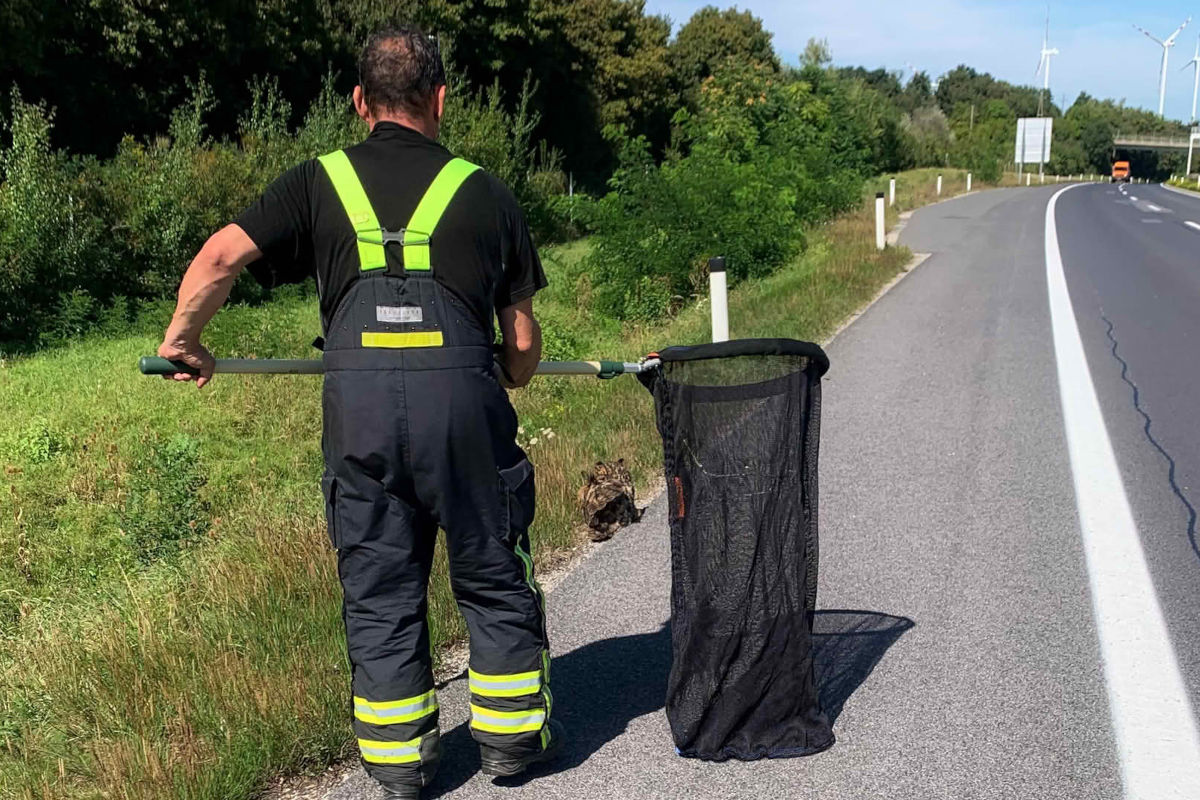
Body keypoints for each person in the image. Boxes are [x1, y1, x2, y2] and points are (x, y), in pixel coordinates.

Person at [156, 26, 560, 799]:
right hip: (462, 409)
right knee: (490, 569)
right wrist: (514, 372)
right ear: (441, 99)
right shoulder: (485, 190)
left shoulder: (316, 182)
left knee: (378, 584)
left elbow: (217, 259)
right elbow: (521, 339)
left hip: (361, 413)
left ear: (358, 102)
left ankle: (401, 765)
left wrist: (185, 341)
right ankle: (511, 745)